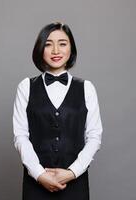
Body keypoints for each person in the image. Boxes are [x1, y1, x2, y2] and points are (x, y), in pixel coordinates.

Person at [12, 22, 103, 200]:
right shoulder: (26, 87)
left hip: (75, 183)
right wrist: (39, 174)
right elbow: (20, 135)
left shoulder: (87, 88)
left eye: (62, 43)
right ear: (40, 49)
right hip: (36, 184)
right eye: (48, 44)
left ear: (71, 49)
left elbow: (94, 136)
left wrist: (72, 172)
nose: (56, 50)